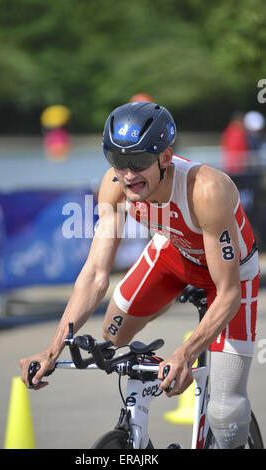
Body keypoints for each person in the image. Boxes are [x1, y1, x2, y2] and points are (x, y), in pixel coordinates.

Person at [20, 102, 260, 449]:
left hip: (231, 276)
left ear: (165, 157)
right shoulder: (115, 184)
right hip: (174, 254)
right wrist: (52, 350)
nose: (128, 174)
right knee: (112, 340)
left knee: (226, 414)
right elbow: (95, 273)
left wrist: (184, 354)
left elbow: (228, 292)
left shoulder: (207, 190)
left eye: (138, 163)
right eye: (117, 161)